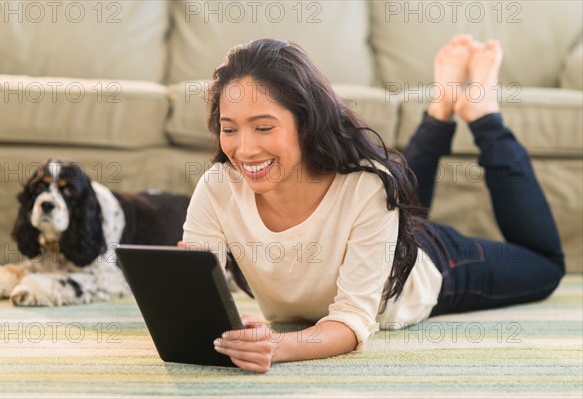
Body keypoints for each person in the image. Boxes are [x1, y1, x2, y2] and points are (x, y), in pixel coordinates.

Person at [180, 36, 565, 372]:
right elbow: (197, 303)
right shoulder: (217, 187)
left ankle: (483, 114)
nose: (243, 148)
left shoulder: (365, 187)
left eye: (263, 127)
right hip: (381, 221)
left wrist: (277, 346)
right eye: (229, 128)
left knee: (546, 268)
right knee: (393, 188)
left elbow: (350, 322)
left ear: (307, 122)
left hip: (424, 263)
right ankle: (442, 107)